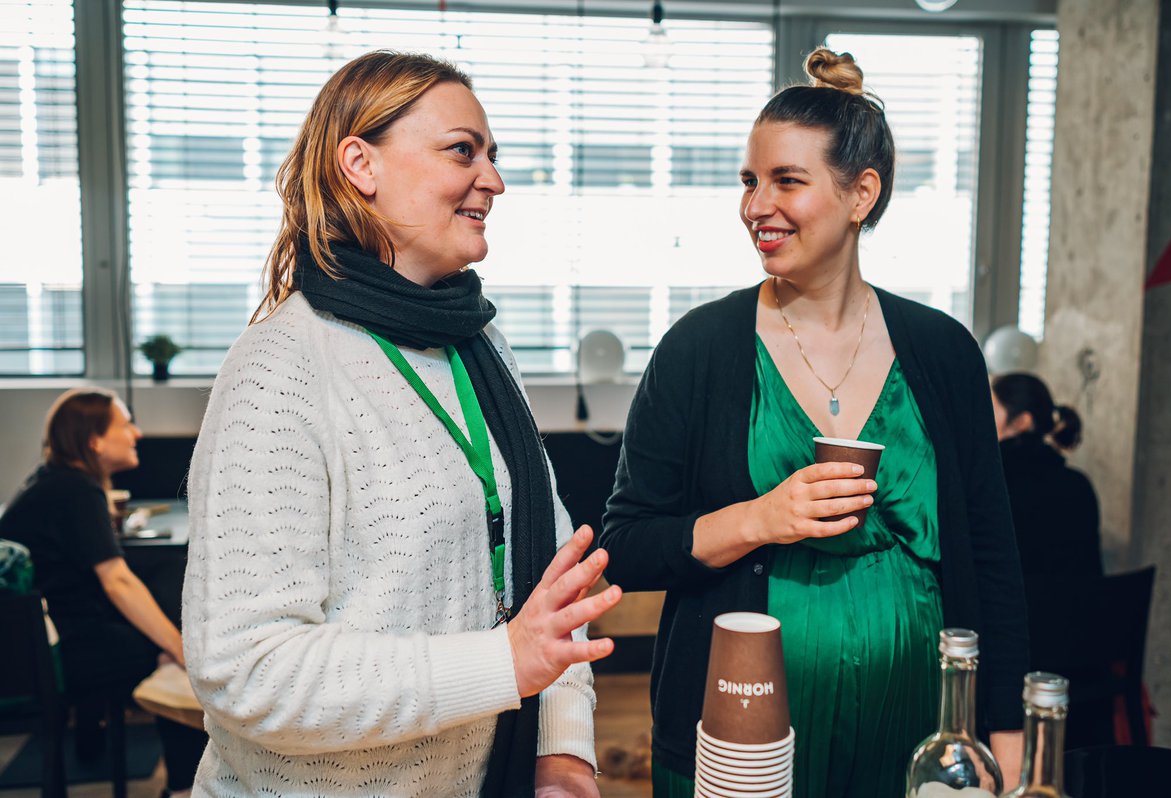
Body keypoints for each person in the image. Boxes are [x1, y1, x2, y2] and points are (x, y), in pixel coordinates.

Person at [182, 51, 620, 798]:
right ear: (360, 163)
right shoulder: (281, 368)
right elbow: (246, 669)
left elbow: (552, 574)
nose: (494, 179)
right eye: (462, 150)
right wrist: (501, 664)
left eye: (493, 155)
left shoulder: (478, 344)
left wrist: (563, 746)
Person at [600, 49, 1028, 797]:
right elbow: (626, 546)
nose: (755, 205)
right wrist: (759, 518)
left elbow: (991, 557)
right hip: (743, 742)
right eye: (749, 180)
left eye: (786, 181)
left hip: (919, 736)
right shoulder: (699, 350)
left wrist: (1004, 734)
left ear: (861, 193)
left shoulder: (942, 351)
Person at [0, 387, 207, 797]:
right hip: (58, 656)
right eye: (125, 423)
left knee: (165, 598)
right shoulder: (76, 491)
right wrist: (180, 647)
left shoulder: (52, 482)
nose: (137, 433)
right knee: (176, 646)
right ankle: (186, 785)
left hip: (38, 645)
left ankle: (183, 780)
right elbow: (117, 581)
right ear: (94, 440)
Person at [991, 372, 1102, 580]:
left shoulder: (994, 485)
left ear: (1022, 421)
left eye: (989, 410)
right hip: (1075, 611)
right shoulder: (1078, 484)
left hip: (1023, 611)